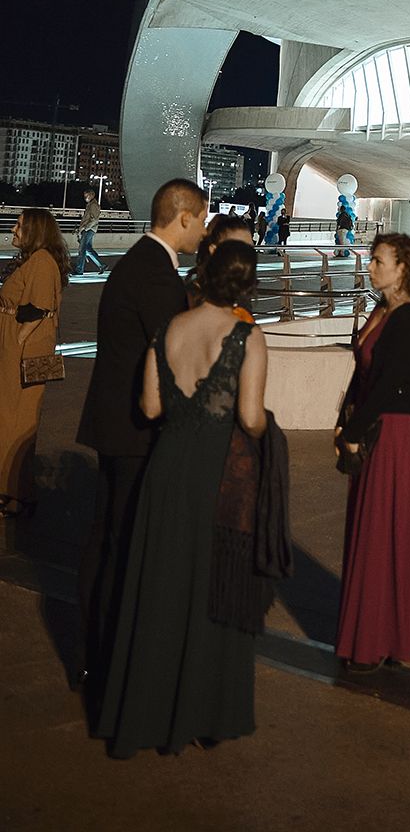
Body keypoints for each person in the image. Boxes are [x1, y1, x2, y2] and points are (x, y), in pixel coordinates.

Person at [94, 240, 268, 757]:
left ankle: (149, 710)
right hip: (216, 475)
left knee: (160, 586)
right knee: (211, 588)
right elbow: (253, 418)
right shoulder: (246, 334)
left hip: (166, 469)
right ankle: (204, 713)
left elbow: (150, 407)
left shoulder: (167, 328)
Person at [76, 178, 205, 716]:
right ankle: (108, 673)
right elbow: (171, 358)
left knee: (108, 546)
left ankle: (95, 666)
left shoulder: (136, 264)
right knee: (122, 553)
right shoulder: (155, 275)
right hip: (134, 434)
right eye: (201, 219)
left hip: (112, 428)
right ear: (182, 216)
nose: (203, 229)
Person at [335, 233, 410, 672]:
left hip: (394, 432)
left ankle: (380, 638)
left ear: (402, 268)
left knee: (384, 531)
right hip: (376, 425)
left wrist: (355, 429)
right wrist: (344, 420)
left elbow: (392, 382)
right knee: (377, 530)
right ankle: (381, 633)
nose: (371, 265)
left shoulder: (409, 317)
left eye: (379, 260)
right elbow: (362, 375)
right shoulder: (382, 309)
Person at [0, 208, 70, 517]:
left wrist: (16, 339)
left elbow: (38, 307)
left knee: (14, 418)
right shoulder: (39, 259)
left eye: (19, 225)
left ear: (35, 230)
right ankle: (15, 490)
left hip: (22, 351)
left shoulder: (41, 262)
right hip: (22, 347)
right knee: (15, 417)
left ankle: (10, 491)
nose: (13, 230)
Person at [186, 213, 255, 308]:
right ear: (213, 250)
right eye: (236, 248)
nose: (247, 255)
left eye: (250, 248)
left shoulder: (241, 293)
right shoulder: (191, 296)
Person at [75, 189, 105, 277]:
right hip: (89, 229)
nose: (85, 198)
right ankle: (102, 265)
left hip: (89, 230)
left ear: (92, 195)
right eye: (84, 196)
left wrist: (85, 228)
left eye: (86, 196)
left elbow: (94, 219)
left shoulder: (93, 205)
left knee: (82, 250)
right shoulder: (90, 205)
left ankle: (79, 269)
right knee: (88, 249)